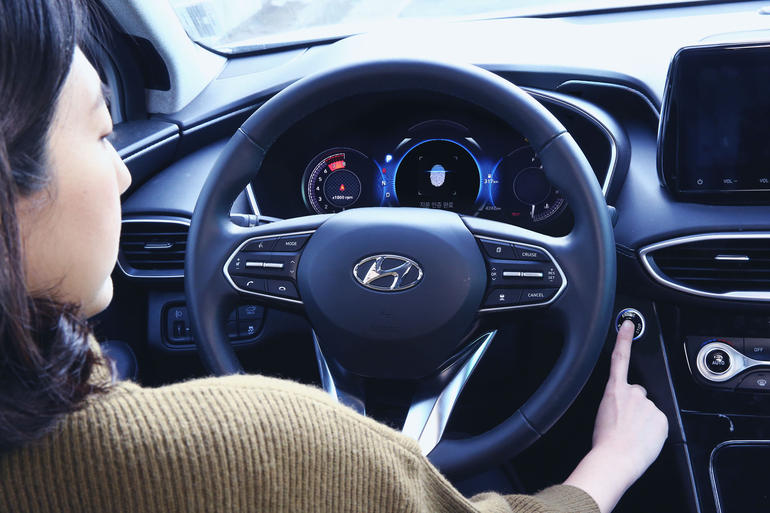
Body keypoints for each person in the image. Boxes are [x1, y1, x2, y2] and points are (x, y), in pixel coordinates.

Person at [0, 1, 669, 512]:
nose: (123, 173)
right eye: (104, 133)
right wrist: (610, 461)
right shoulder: (273, 450)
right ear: (11, 190)